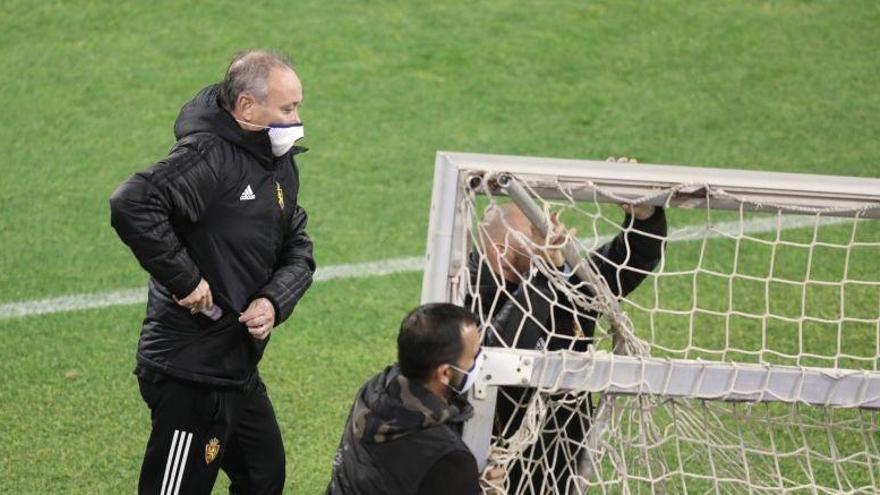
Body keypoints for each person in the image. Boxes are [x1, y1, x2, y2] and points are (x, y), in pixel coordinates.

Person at [109, 50, 315, 494]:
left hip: (235, 366)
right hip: (191, 369)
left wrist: (273, 301)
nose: (297, 118)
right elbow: (132, 202)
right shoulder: (208, 156)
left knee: (263, 474)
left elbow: (298, 245)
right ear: (245, 106)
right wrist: (185, 279)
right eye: (288, 108)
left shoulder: (277, 163)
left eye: (297, 105)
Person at [467, 161, 667, 493]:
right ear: (501, 255)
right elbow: (507, 347)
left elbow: (632, 259)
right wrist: (545, 272)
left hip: (562, 455)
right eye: (535, 237)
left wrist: (643, 215)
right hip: (492, 469)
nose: (551, 241)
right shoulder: (465, 301)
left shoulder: (566, 282)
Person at [326, 303, 503, 494]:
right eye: (474, 355)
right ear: (445, 373)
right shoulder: (449, 458)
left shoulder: (374, 389)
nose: (479, 361)